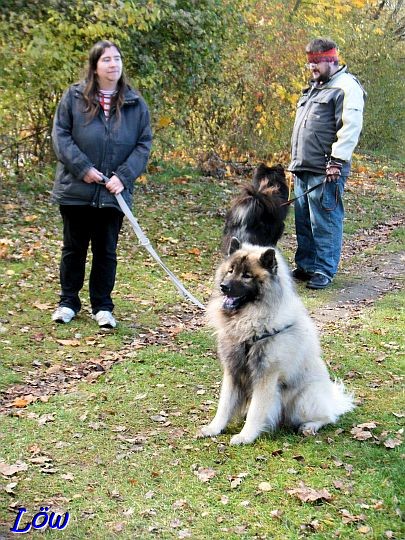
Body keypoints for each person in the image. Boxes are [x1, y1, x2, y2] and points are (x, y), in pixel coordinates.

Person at [51, 40, 152, 327]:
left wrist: (124, 176)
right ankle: (68, 302)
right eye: (106, 59)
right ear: (95, 66)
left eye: (117, 59)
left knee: (106, 251)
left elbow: (143, 144)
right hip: (77, 190)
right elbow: (61, 135)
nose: (113, 64)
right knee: (74, 248)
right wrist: (82, 168)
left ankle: (102, 307)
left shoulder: (135, 103)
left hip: (113, 195)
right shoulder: (73, 98)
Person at [289, 38, 366, 289]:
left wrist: (337, 161)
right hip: (303, 166)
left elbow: (350, 127)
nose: (311, 67)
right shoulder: (314, 88)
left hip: (327, 168)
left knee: (324, 221)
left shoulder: (345, 87)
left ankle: (324, 270)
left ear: (331, 59)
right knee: (303, 221)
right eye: (309, 62)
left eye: (316, 62)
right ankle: (307, 265)